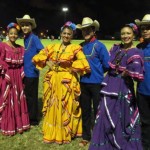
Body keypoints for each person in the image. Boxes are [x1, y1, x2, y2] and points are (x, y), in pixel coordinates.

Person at [32, 21, 90, 144]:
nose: (66, 36)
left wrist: (70, 66)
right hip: (53, 80)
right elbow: (40, 55)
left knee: (66, 106)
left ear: (72, 36)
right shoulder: (52, 47)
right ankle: (52, 131)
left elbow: (83, 63)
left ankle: (65, 132)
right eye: (64, 33)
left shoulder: (75, 48)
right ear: (60, 34)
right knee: (53, 104)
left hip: (67, 81)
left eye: (69, 34)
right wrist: (48, 62)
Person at [88, 23, 144, 150]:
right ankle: (105, 142)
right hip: (108, 85)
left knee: (121, 114)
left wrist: (128, 72)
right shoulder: (115, 49)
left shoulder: (136, 52)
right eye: (123, 33)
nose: (125, 36)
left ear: (134, 35)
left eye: (128, 33)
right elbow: (107, 63)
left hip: (123, 87)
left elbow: (136, 71)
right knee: (104, 113)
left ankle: (120, 141)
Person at [76, 17, 110, 146]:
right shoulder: (80, 47)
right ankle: (86, 136)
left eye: (88, 29)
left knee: (97, 110)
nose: (86, 32)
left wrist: (97, 73)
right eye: (83, 30)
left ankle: (99, 135)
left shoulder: (100, 46)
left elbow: (107, 65)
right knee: (85, 110)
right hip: (83, 83)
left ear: (93, 30)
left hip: (97, 83)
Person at [0, 22, 30, 135]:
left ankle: (19, 124)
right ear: (7, 34)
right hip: (7, 75)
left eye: (15, 34)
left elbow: (24, 62)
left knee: (18, 98)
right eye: (11, 33)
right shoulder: (2, 45)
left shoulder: (20, 48)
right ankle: (8, 125)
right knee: (8, 98)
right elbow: (1, 59)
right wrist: (6, 70)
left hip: (17, 76)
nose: (13, 35)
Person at [16, 14, 44, 126]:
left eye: (27, 25)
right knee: (27, 95)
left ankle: (33, 119)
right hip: (25, 72)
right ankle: (27, 115)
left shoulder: (34, 38)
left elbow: (42, 51)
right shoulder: (26, 38)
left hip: (32, 72)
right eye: (23, 25)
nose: (24, 27)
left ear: (31, 26)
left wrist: (36, 61)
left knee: (32, 97)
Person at [135, 14, 150, 150]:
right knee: (145, 121)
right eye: (143, 28)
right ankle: (145, 145)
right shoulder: (138, 47)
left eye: (148, 28)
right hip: (142, 91)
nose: (145, 30)